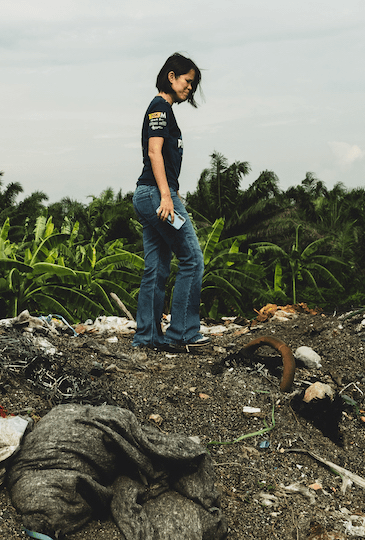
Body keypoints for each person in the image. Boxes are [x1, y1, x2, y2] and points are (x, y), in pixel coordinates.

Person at [132, 53, 209, 353]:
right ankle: (183, 332)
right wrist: (167, 196)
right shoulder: (160, 108)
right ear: (171, 77)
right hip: (155, 195)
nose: (190, 88)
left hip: (149, 194)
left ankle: (149, 337)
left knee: (157, 267)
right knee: (192, 259)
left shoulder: (163, 110)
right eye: (188, 81)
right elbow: (154, 153)